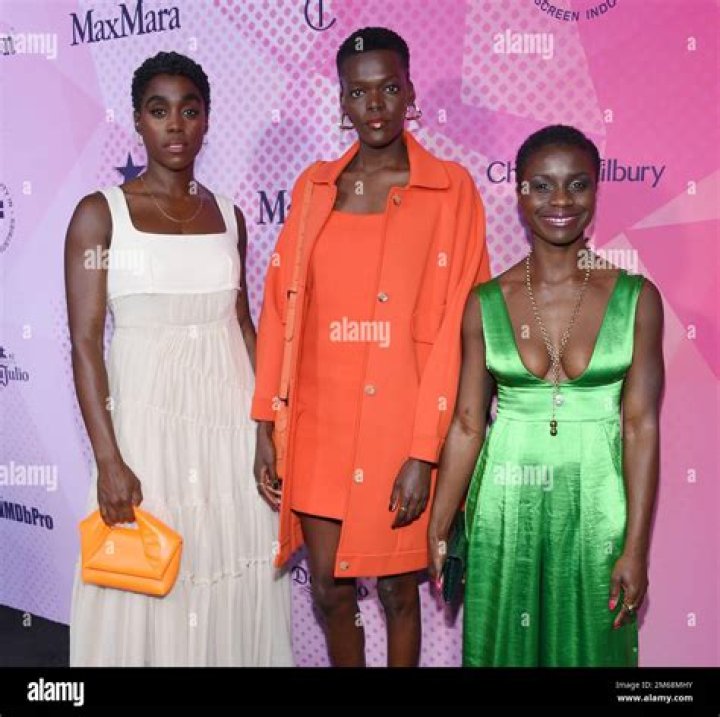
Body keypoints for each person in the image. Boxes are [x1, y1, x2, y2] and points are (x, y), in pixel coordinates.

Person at [252, 27, 490, 667]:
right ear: (341, 101)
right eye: (358, 93)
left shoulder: (451, 191)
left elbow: (463, 328)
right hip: (319, 424)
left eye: (389, 88)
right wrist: (267, 424)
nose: (375, 105)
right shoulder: (314, 188)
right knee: (329, 590)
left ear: (410, 92)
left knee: (397, 593)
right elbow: (280, 308)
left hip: (400, 427)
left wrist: (425, 449)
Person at [66, 51, 292, 666]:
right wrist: (108, 460)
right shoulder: (99, 215)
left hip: (229, 426)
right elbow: (85, 343)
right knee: (149, 574)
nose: (175, 125)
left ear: (207, 119)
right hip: (146, 430)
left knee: (229, 561)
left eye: (189, 111)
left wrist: (267, 428)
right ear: (137, 120)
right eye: (159, 110)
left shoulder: (230, 216)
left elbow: (242, 324)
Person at [428, 125, 664, 666]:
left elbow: (641, 426)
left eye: (577, 185)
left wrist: (635, 547)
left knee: (594, 650)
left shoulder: (636, 299)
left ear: (596, 191)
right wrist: (439, 524)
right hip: (504, 507)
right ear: (519, 192)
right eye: (542, 185)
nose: (560, 201)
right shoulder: (486, 301)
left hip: (598, 506)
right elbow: (467, 423)